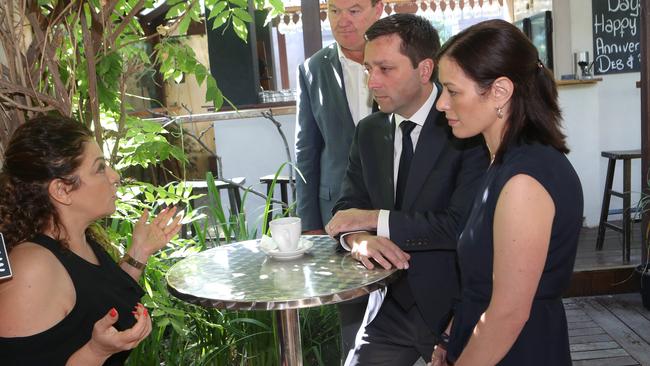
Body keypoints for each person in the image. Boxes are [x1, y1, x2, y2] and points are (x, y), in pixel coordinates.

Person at [325, 14, 489, 365]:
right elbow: (346, 208)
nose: (372, 82)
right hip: (388, 305)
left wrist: (373, 219)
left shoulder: (465, 126)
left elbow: (458, 225)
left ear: (425, 69)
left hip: (455, 308)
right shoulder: (368, 131)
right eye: (369, 69)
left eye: (386, 69)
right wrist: (358, 239)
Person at [430, 19, 583, 366]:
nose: (441, 104)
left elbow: (507, 314)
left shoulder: (523, 181)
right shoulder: (503, 162)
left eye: (452, 91)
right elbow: (481, 284)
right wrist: (450, 337)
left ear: (500, 91)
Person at [0, 115, 183, 365]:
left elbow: (98, 301)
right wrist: (96, 352)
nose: (114, 175)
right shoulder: (32, 269)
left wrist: (140, 251)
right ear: (62, 190)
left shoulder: (77, 240)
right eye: (99, 168)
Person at [294, 0, 383, 358]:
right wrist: (311, 223)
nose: (342, 20)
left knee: (416, 304)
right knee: (353, 314)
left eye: (354, 9)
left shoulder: (402, 58)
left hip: (400, 205)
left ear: (378, 9)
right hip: (338, 213)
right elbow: (307, 149)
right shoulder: (313, 68)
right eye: (333, 11)